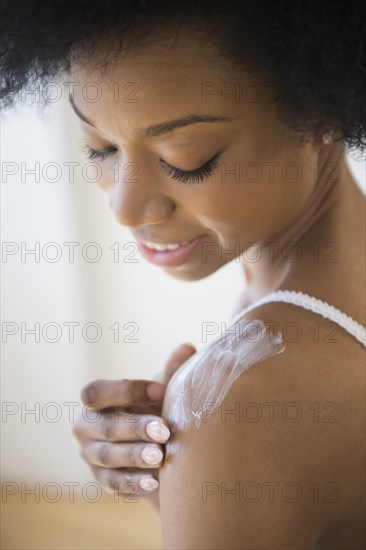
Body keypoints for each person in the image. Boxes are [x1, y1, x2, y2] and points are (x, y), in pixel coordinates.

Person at [2, 1, 365, 548]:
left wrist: (215, 465)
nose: (125, 209)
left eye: (186, 158)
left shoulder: (249, 398)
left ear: (320, 113)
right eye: (99, 147)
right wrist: (182, 489)